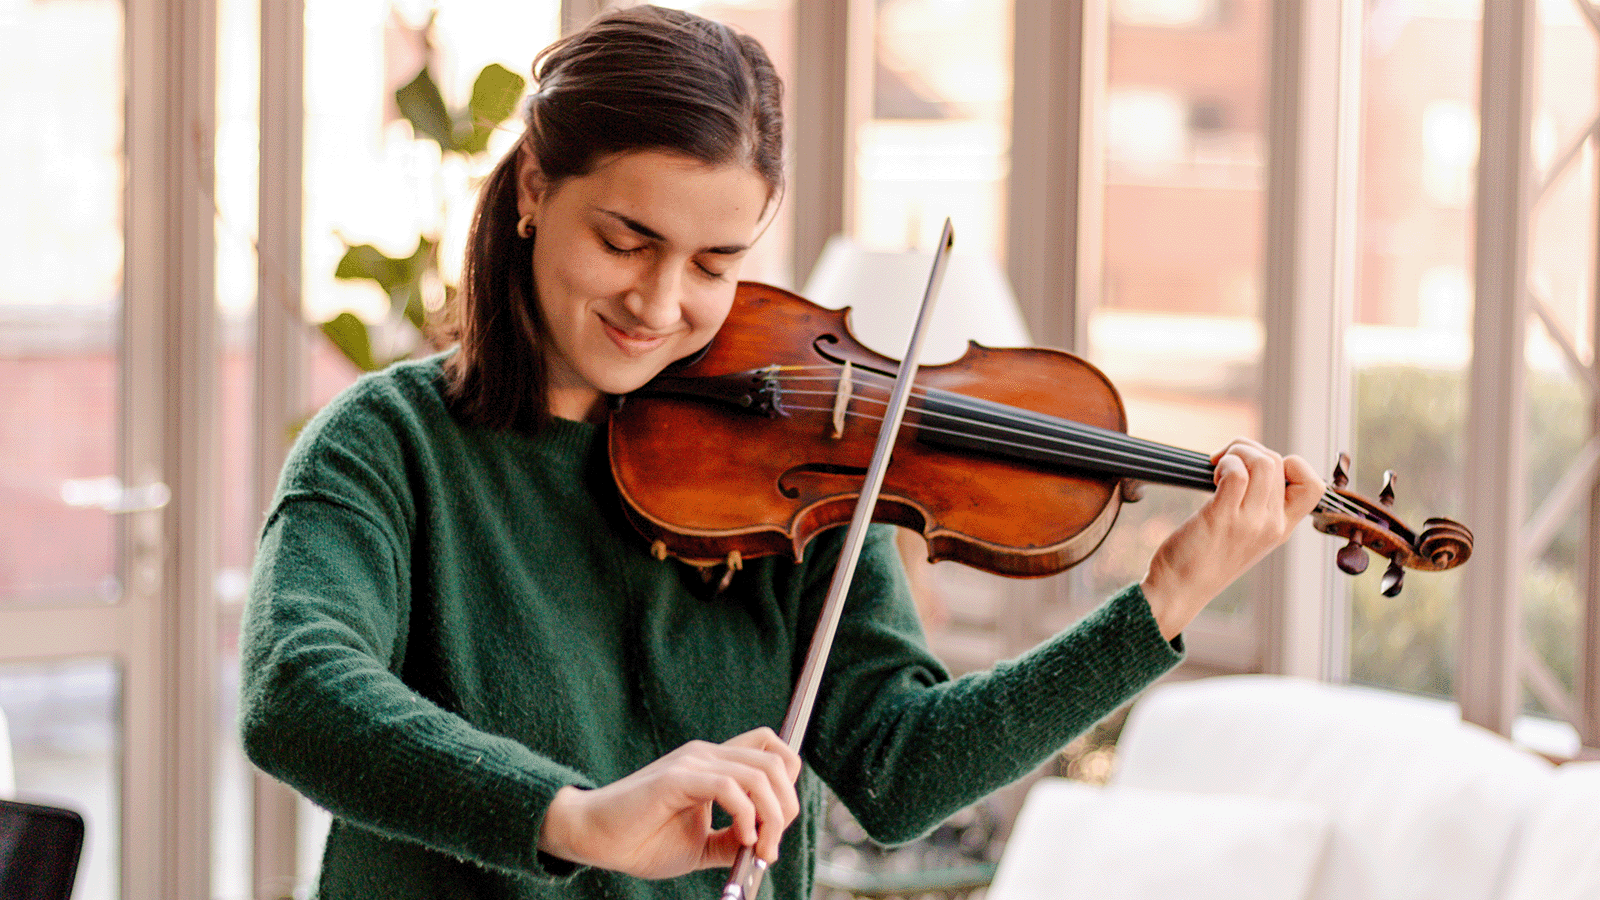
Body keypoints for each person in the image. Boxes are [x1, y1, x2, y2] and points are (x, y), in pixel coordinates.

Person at [237, 6, 1324, 900]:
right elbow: (297, 687)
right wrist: (574, 819)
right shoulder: (388, 447)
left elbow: (898, 771)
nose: (660, 302)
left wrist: (1161, 602)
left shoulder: (789, 461)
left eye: (714, 262)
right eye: (626, 240)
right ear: (531, 192)